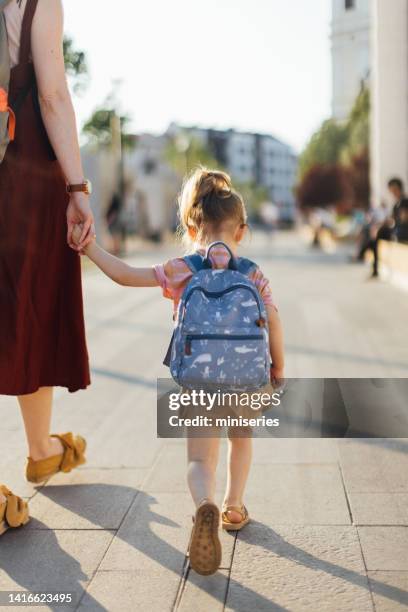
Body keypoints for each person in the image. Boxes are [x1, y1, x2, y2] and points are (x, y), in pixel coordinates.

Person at [72, 168, 285, 575]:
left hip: (198, 377)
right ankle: (233, 507)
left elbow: (124, 275)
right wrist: (278, 366)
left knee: (198, 460)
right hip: (246, 378)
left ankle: (204, 502)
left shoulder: (182, 269)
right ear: (241, 230)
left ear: (192, 224)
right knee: (241, 440)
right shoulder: (253, 274)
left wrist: (91, 249)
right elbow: (273, 319)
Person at [0, 0, 94, 534]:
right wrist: (77, 189)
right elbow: (53, 95)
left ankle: (42, 450)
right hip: (19, 176)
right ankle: (40, 450)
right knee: (25, 302)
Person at [388, 177, 408, 244]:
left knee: (399, 231)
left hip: (403, 229)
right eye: (392, 191)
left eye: (395, 190)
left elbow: (404, 219)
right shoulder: (396, 204)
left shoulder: (405, 201)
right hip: (398, 227)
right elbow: (392, 219)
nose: (393, 193)